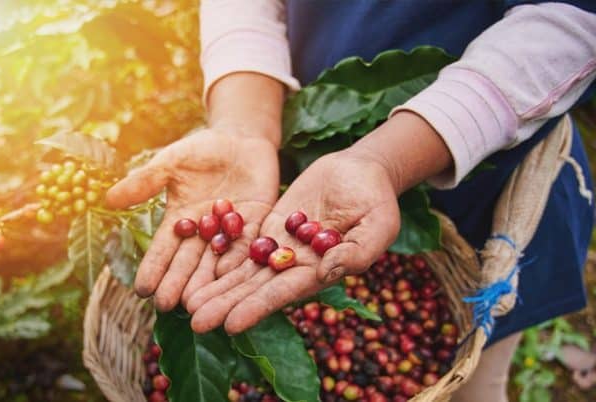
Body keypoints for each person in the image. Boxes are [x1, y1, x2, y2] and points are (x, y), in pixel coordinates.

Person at [106, 1, 596, 400]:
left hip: (489, 185)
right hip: (311, 164)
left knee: (476, 377)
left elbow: (570, 21)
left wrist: (389, 160)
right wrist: (244, 123)